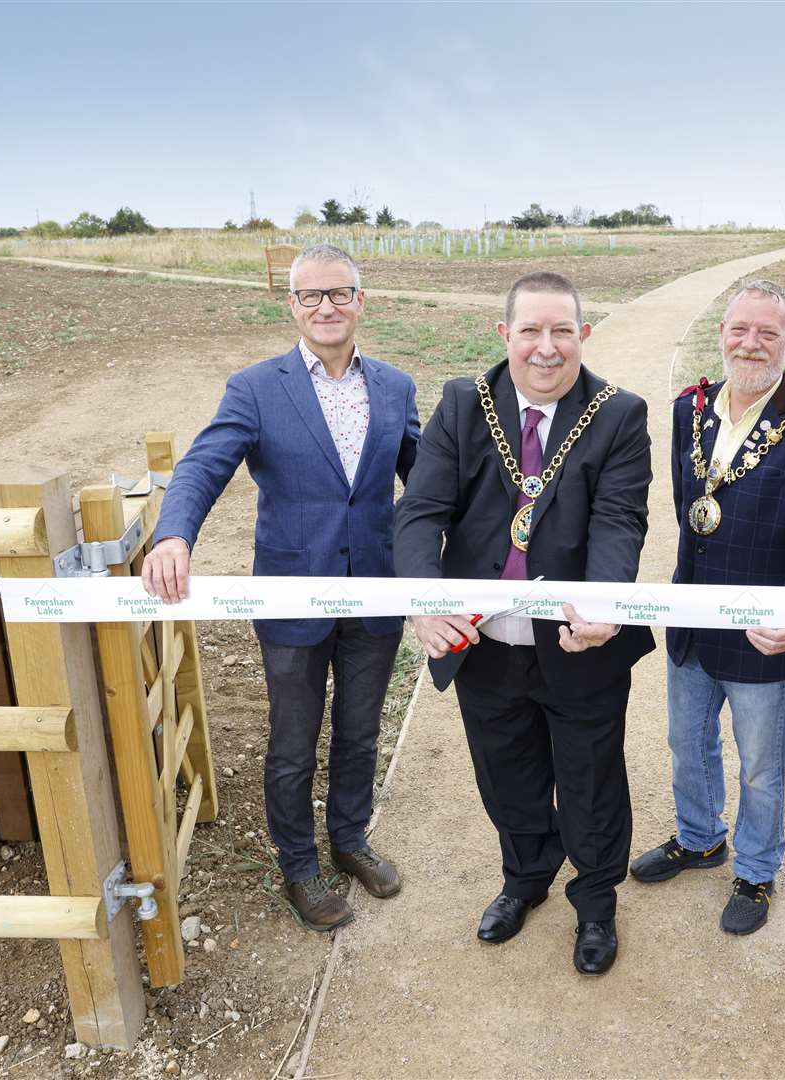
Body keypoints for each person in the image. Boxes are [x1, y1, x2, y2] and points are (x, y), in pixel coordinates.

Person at [142, 244, 420, 932]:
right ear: (291, 306)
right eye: (310, 296)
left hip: (374, 595)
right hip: (292, 596)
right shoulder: (256, 387)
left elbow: (427, 483)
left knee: (359, 732)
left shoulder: (394, 387)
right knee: (294, 741)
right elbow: (206, 464)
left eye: (339, 293)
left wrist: (485, 545)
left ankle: (349, 840)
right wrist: (174, 534)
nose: (326, 307)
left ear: (362, 300)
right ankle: (298, 866)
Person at [394, 271, 652, 976]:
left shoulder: (618, 413)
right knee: (506, 775)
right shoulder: (460, 404)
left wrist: (603, 604)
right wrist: (424, 595)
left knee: (592, 781)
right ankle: (524, 879)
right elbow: (421, 510)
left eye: (561, 331)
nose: (546, 348)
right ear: (504, 334)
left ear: (582, 336)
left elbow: (619, 520)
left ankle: (596, 905)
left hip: (578, 643)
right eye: (530, 331)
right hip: (484, 645)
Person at [629, 280, 785, 935]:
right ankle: (700, 838)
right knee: (686, 742)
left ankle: (755, 870)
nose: (750, 344)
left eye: (767, 333)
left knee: (758, 765)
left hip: (763, 638)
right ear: (721, 332)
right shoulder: (685, 410)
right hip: (693, 622)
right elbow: (689, 515)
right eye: (739, 330)